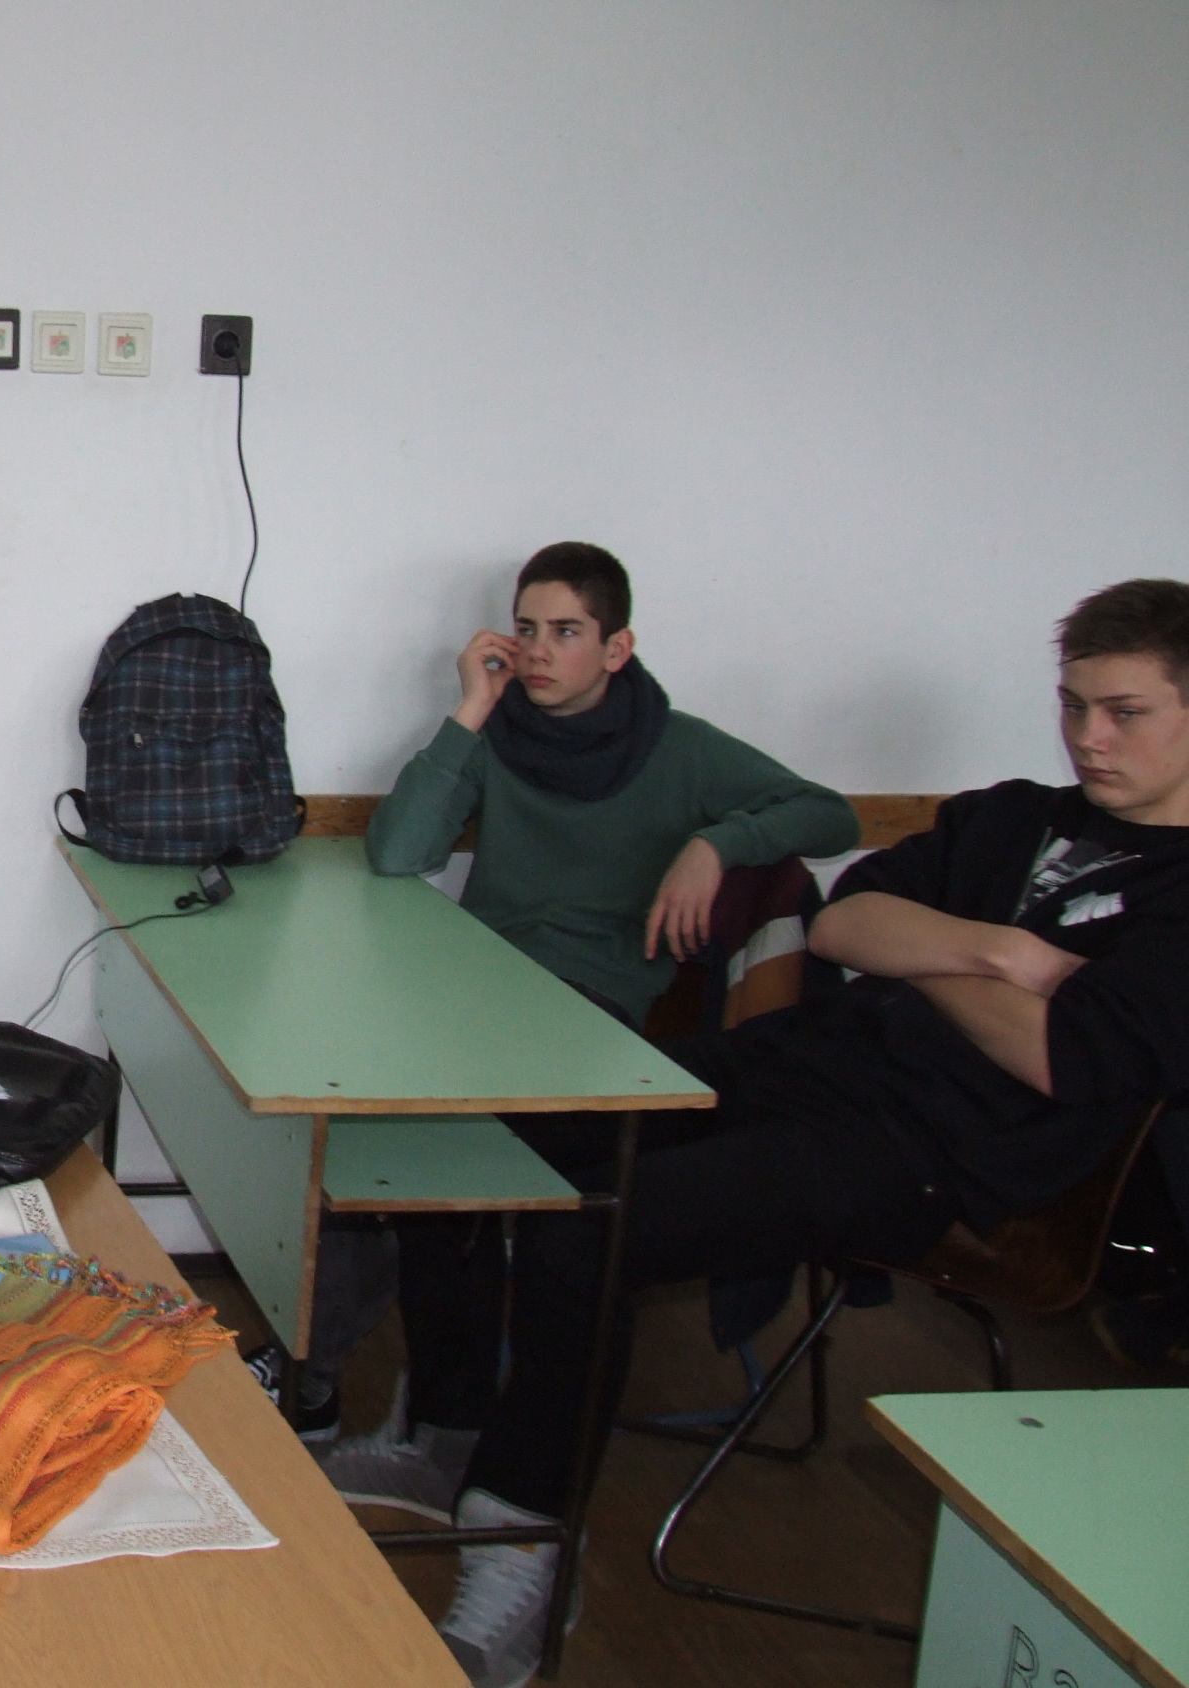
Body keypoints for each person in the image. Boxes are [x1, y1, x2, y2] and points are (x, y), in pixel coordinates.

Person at [371, 578, 1189, 1688]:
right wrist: (998, 955)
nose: (1088, 738)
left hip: (935, 1154)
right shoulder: (1013, 815)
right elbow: (845, 922)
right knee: (466, 1137)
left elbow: (1059, 1058)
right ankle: (451, 1434)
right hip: (806, 1065)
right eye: (1074, 705)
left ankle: (525, 1555)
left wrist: (924, 952)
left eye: (1125, 713)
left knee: (587, 1232)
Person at [278, 545, 856, 1453]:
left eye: (566, 632)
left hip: (588, 1016)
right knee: (349, 1114)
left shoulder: (680, 748)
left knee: (442, 1151)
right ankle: (375, 1391)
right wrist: (471, 708)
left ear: (617, 648)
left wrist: (718, 843)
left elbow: (831, 814)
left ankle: (441, 1421)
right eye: (526, 629)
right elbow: (396, 854)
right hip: (474, 992)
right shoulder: (500, 736)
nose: (539, 651)